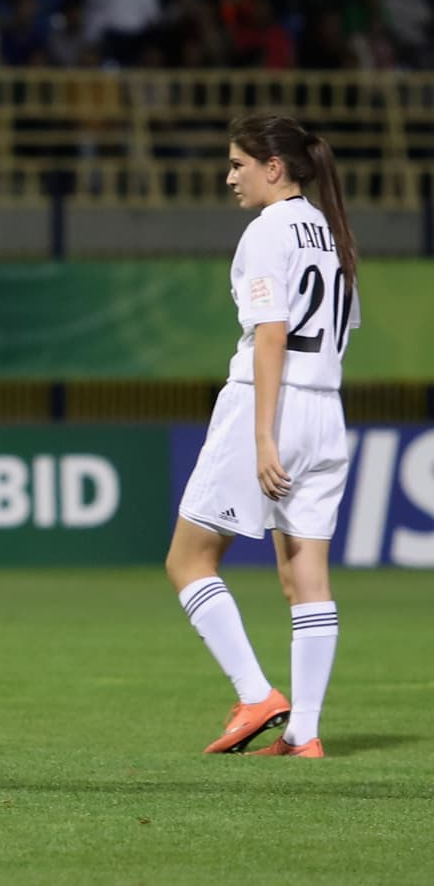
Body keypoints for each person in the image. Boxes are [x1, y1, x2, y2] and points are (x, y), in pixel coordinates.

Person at [166, 113, 360, 759]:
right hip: (326, 411)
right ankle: (304, 731)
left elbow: (271, 332)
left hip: (268, 404)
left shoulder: (266, 230)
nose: (229, 177)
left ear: (273, 167)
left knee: (188, 561)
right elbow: (338, 329)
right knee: (305, 574)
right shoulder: (330, 232)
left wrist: (264, 437)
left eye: (237, 164)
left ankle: (256, 696)